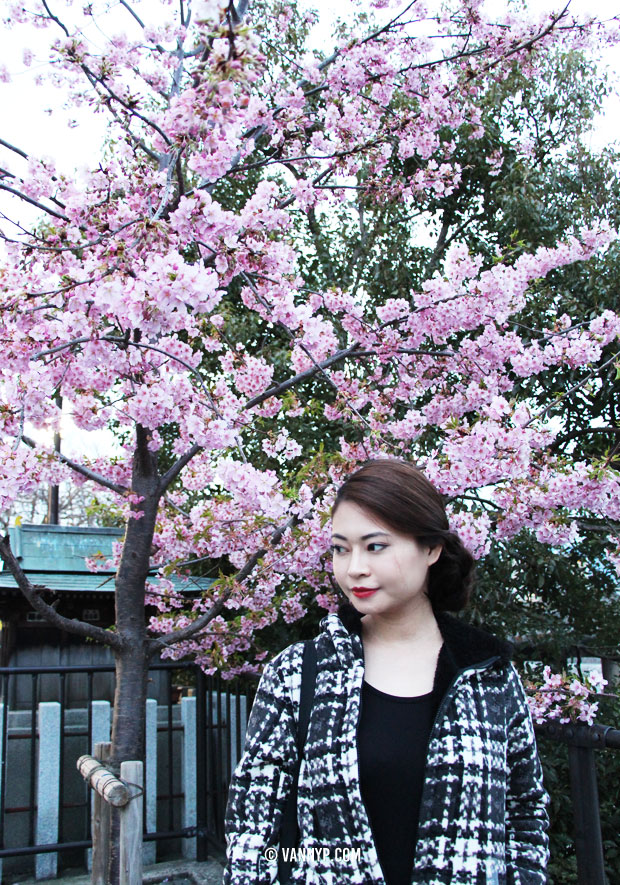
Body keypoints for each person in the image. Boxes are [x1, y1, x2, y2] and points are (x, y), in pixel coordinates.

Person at [223, 459, 549, 885]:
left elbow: (525, 813)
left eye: (375, 546)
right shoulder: (297, 674)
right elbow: (253, 828)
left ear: (431, 548)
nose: (354, 567)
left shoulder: (488, 676)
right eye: (341, 548)